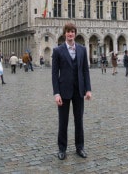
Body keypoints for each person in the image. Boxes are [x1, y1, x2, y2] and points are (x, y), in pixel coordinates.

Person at [52, 22, 92, 160]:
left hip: (79, 90)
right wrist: (56, 93)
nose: (70, 34)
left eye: (72, 31)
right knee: (63, 121)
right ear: (65, 34)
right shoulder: (58, 50)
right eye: (68, 31)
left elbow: (85, 71)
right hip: (63, 91)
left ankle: (80, 147)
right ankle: (62, 148)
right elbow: (54, 74)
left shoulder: (82, 49)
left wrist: (88, 89)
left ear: (75, 33)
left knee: (79, 120)